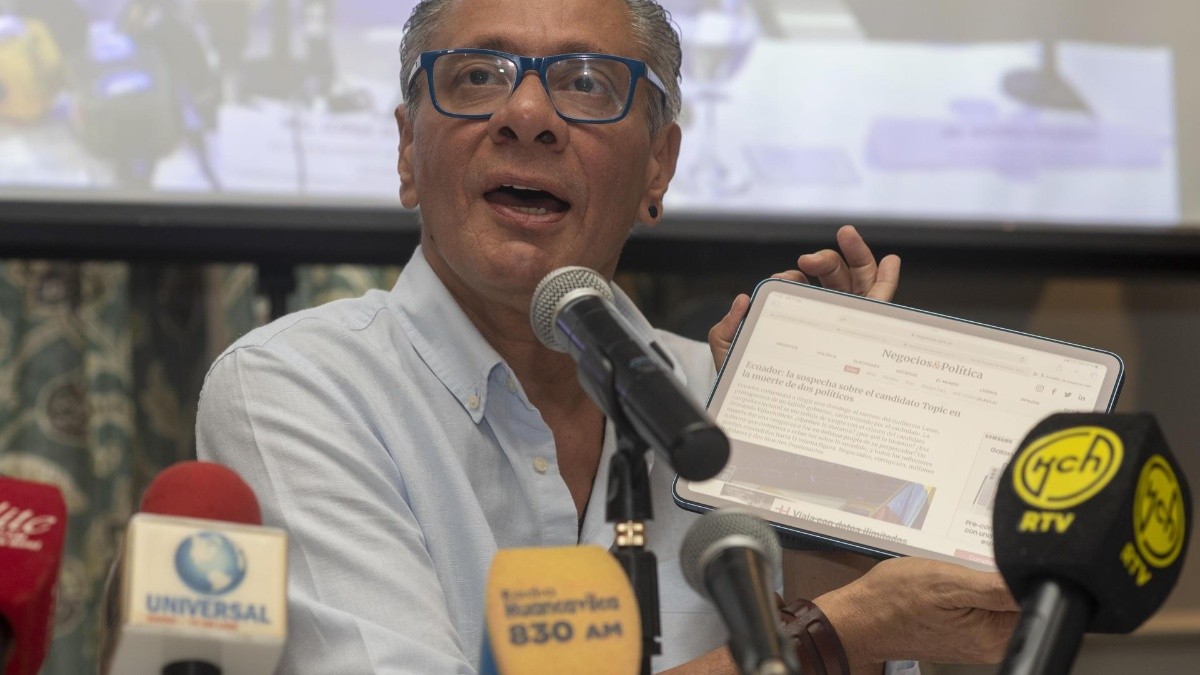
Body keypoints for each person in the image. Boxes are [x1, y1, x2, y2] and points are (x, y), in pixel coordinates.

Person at [196, 0, 1019, 673]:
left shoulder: (720, 394)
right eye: (478, 76)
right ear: (408, 150)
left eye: (587, 83)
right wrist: (835, 640)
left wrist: (810, 472)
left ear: (658, 167)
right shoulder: (293, 387)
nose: (527, 116)